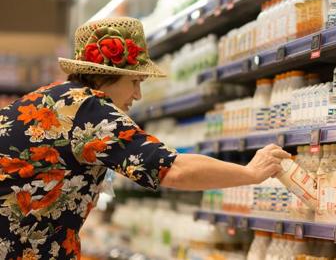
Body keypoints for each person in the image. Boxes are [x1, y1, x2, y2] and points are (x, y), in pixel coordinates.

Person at [0, 17, 290, 259]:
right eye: (135, 81)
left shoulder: (50, 99)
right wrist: (250, 172)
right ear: (109, 75)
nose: (137, 95)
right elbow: (173, 169)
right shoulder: (89, 110)